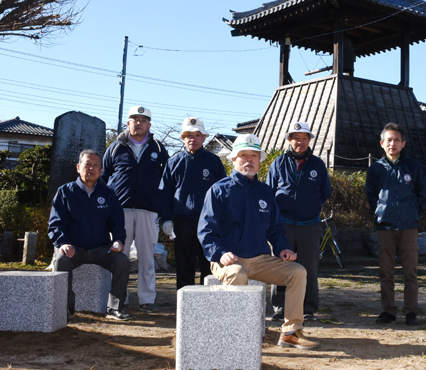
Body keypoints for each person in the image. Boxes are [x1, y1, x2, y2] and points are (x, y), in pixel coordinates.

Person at [198, 134, 320, 350]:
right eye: (243, 155)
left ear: (260, 160)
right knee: (238, 273)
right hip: (228, 260)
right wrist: (220, 253)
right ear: (233, 159)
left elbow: (275, 229)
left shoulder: (265, 191)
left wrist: (283, 248)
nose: (249, 160)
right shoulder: (219, 190)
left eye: (254, 155)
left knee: (298, 271)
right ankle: (234, 335)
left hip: (260, 259)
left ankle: (290, 332)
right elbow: (206, 231)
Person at [49, 150, 132, 321]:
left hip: (101, 249)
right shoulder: (65, 192)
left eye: (96, 165)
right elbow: (55, 224)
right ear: (79, 168)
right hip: (74, 248)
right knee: (60, 261)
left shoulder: (108, 193)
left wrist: (118, 241)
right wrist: (63, 243)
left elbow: (117, 223)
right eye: (87, 164)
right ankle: (66, 308)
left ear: (101, 171)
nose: (91, 169)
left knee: (122, 261)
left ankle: (115, 308)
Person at [102, 105, 169, 312]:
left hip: (148, 210)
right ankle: (119, 299)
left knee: (147, 257)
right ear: (128, 123)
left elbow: (166, 182)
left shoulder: (158, 148)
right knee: (118, 255)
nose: (138, 123)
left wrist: (163, 211)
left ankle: (147, 299)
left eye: (143, 120)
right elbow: (103, 178)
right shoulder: (115, 147)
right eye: (134, 119)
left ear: (149, 124)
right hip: (120, 210)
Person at [266, 122, 331, 322]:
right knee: (280, 265)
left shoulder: (318, 164)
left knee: (308, 267)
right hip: (282, 224)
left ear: (309, 140)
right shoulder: (278, 162)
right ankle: (279, 307)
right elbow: (269, 190)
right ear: (289, 139)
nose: (300, 142)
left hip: (309, 225)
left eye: (304, 138)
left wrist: (309, 207)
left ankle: (308, 308)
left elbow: (324, 192)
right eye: (296, 138)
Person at [365, 122, 426, 326]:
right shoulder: (375, 169)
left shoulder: (414, 167)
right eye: (389, 140)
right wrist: (380, 212)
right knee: (386, 273)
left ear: (403, 143)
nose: (392, 144)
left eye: (397, 140)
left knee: (410, 272)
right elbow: (371, 195)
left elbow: (423, 194)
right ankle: (388, 311)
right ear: (382, 143)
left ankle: (411, 312)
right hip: (385, 227)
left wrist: (413, 212)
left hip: (409, 227)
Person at [159, 117, 226, 289]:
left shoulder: (214, 162)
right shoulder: (173, 162)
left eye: (197, 135)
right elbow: (164, 193)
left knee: (209, 264)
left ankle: (210, 303)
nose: (193, 139)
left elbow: (224, 193)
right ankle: (184, 305)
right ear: (182, 138)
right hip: (182, 221)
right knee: (184, 265)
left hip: (209, 221)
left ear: (204, 138)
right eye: (188, 135)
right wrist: (166, 219)